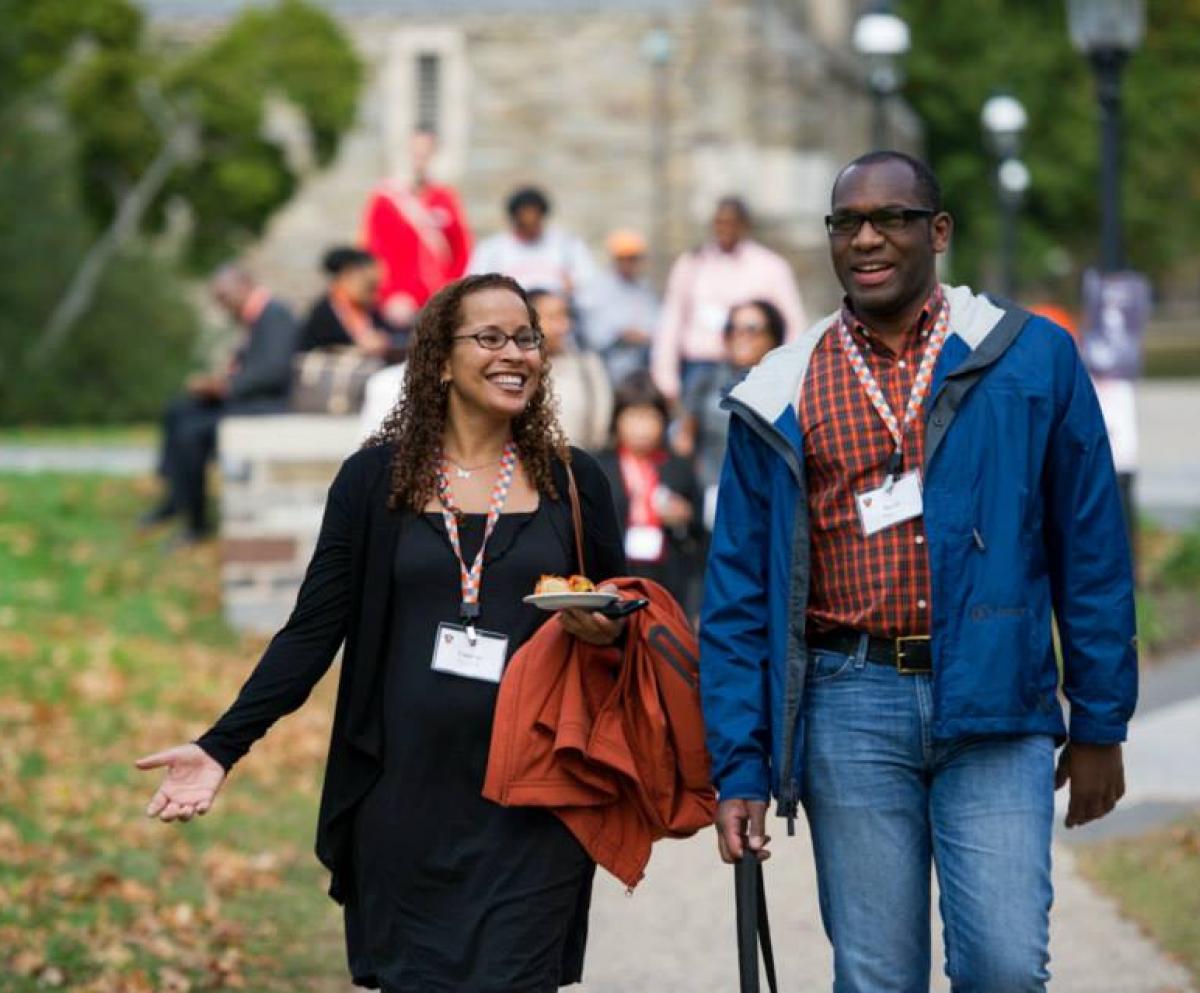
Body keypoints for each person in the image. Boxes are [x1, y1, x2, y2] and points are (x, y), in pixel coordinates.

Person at [700, 151, 1137, 992]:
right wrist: (741, 766)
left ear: (937, 231)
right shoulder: (782, 387)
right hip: (848, 701)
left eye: (890, 218)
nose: (866, 237)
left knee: (1006, 967)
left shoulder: (1029, 358)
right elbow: (737, 599)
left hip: (997, 697)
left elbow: (1091, 550)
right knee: (876, 977)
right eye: (846, 222)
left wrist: (1101, 721)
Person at [136, 273, 631, 993]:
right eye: (489, 337)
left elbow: (624, 615)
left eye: (526, 337)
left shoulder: (572, 481)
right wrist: (221, 745)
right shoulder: (375, 481)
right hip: (405, 803)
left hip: (537, 802)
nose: (516, 352)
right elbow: (312, 631)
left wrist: (605, 634)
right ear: (437, 359)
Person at [141, 265, 298, 544]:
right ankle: (176, 496)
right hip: (246, 399)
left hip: (267, 406)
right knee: (178, 410)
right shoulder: (255, 319)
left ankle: (196, 523)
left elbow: (274, 372)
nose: (221, 305)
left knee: (191, 433)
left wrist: (226, 387)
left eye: (223, 297)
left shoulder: (275, 315)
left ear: (243, 286)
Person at [651, 196, 805, 402]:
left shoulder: (770, 266)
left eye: (731, 223)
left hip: (750, 369)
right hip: (698, 367)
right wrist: (665, 376)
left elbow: (793, 323)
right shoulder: (691, 264)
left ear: (744, 225)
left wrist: (787, 373)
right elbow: (671, 321)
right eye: (719, 223)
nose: (724, 229)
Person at [676, 299, 787, 531]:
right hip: (713, 493)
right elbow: (683, 441)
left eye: (752, 329)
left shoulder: (787, 383)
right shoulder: (704, 380)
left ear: (774, 337)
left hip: (770, 496)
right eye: (732, 329)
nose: (740, 336)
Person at [595, 371, 700, 609]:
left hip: (667, 579)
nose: (641, 428)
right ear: (617, 420)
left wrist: (684, 517)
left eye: (650, 417)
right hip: (613, 578)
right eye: (633, 417)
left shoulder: (678, 467)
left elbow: (698, 535)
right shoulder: (600, 466)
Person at [361, 128, 472, 328]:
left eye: (426, 154)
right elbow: (372, 252)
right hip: (397, 303)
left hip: (437, 300)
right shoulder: (385, 200)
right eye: (414, 153)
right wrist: (388, 296)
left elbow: (461, 250)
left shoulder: (445, 198)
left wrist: (450, 294)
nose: (419, 161)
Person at [468, 187, 596, 305]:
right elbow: (474, 288)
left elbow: (589, 286)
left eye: (535, 217)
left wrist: (571, 291)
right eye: (524, 220)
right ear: (514, 219)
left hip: (558, 314)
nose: (530, 222)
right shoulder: (492, 249)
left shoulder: (568, 245)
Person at [530, 288, 612, 452]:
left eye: (565, 316)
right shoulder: (516, 369)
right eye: (552, 317)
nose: (563, 326)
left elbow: (599, 430)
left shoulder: (587, 365)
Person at [583, 229, 660, 385]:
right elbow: (594, 335)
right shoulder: (597, 287)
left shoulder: (645, 289)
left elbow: (656, 325)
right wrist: (622, 334)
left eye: (633, 258)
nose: (628, 263)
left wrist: (645, 336)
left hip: (642, 367)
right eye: (623, 258)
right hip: (609, 368)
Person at [297, 247, 398, 358]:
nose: (375, 294)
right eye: (370, 287)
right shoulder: (324, 313)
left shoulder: (371, 312)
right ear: (346, 276)